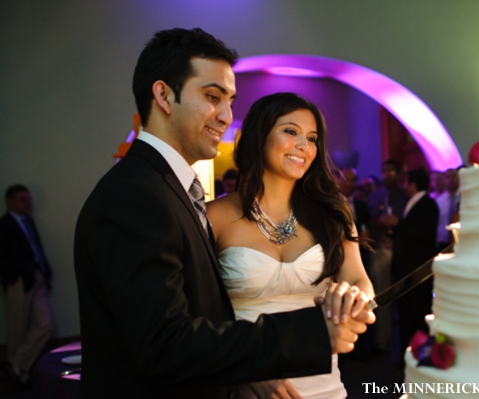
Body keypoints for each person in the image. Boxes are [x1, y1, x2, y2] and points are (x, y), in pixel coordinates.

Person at [74, 28, 374, 399]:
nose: (226, 115)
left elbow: (200, 316)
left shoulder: (169, 189)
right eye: (212, 97)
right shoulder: (137, 196)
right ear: (164, 95)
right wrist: (305, 337)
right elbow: (165, 345)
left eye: (230, 100)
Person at [207, 92, 374, 398]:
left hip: (325, 388)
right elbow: (200, 317)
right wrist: (246, 369)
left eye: (312, 138)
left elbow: (359, 279)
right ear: (260, 135)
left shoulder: (332, 214)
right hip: (246, 384)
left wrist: (352, 297)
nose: (304, 146)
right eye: (291, 131)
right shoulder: (215, 217)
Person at [379, 167, 439, 372]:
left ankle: (422, 355)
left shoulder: (429, 204)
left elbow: (423, 233)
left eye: (407, 183)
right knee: (404, 314)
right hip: (405, 268)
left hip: (418, 270)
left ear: (413, 184)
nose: (405, 186)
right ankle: (407, 354)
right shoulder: (411, 203)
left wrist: (399, 224)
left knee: (418, 313)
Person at [0, 184, 54, 388]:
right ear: (10, 202)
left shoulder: (28, 221)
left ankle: (14, 365)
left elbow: (35, 247)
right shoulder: (4, 225)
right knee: (17, 328)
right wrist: (12, 278)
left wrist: (45, 272)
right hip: (19, 281)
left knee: (45, 324)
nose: (27, 203)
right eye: (22, 199)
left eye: (28, 199)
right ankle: (18, 375)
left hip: (36, 277)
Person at [367, 160, 408, 354]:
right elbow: (367, 221)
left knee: (404, 298)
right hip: (381, 249)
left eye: (391, 171)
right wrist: (379, 221)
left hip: (401, 250)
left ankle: (405, 342)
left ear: (399, 174)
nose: (387, 174)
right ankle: (382, 341)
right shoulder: (375, 195)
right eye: (384, 171)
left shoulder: (405, 195)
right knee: (381, 296)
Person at [434, 168, 460, 252]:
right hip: (442, 242)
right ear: (444, 180)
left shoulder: (463, 198)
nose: (451, 179)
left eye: (454, 176)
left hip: (459, 240)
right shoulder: (438, 201)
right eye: (448, 177)